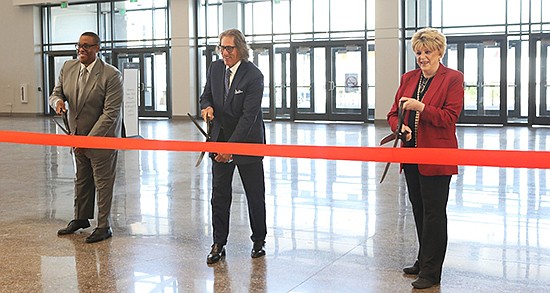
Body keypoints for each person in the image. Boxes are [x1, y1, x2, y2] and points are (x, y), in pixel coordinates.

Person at [386, 28, 464, 289]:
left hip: (437, 157)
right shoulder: (409, 78)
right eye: (419, 52)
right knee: (418, 210)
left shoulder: (452, 79)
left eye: (427, 52)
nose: (422, 57)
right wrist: (401, 126)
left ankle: (432, 272)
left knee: (434, 213)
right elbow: (393, 113)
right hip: (411, 155)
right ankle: (423, 259)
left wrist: (422, 108)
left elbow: (450, 118)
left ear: (439, 52)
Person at [199, 28, 267, 264]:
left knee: (254, 195)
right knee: (219, 195)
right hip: (219, 140)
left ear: (241, 49)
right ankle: (219, 242)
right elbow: (205, 95)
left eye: (229, 48)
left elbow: (249, 117)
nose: (225, 53)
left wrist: (231, 147)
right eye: (222, 48)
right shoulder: (216, 68)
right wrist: (206, 107)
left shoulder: (254, 76)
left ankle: (259, 240)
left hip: (247, 143)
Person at [49, 32, 123, 243]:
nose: (81, 49)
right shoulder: (68, 67)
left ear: (97, 48)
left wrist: (88, 140)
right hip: (76, 135)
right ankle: (81, 218)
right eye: (79, 45)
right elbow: (56, 93)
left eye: (87, 46)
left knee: (103, 182)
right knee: (81, 179)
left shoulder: (111, 75)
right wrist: (57, 103)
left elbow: (110, 114)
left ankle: (103, 226)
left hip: (101, 139)